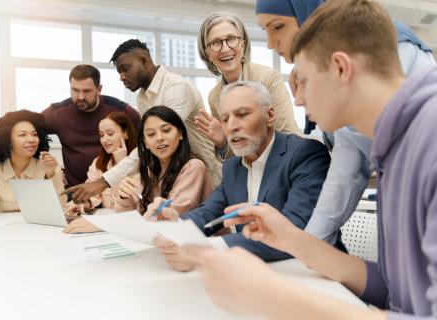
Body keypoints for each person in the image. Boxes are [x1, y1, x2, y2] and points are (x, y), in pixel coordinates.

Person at [184, 1, 437, 318]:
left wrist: (281, 300)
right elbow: (399, 290)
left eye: (301, 79)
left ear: (341, 68)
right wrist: (292, 240)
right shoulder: (394, 147)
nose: (298, 99)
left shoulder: (429, 141)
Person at [255, 0, 435, 245]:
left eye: (277, 27)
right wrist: (306, 247)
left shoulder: (383, 50)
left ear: (341, 68)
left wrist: (306, 246)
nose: (270, 43)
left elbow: (348, 168)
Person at [152, 81, 330, 270]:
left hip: (314, 274)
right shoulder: (232, 167)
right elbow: (207, 213)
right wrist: (175, 225)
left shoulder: (305, 154)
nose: (231, 126)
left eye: (242, 114)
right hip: (257, 273)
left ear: (269, 116)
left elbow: (293, 231)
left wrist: (205, 250)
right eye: (225, 119)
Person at [66, 40, 222, 203]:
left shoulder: (176, 87)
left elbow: (155, 143)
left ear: (144, 61)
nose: (121, 77)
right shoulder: (142, 98)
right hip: (175, 174)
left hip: (206, 174)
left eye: (125, 69)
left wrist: (103, 182)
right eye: (119, 72)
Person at [64, 106, 213, 234]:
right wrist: (124, 197)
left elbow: (167, 218)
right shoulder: (151, 169)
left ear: (180, 133)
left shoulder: (193, 167)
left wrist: (104, 225)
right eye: (151, 134)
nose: (159, 138)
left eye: (166, 130)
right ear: (145, 143)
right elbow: (133, 213)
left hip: (200, 249)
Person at [194, 11, 300, 159]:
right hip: (248, 174)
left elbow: (288, 135)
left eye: (231, 39)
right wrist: (222, 142)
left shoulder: (268, 78)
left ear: (242, 44)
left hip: (285, 164)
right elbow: (233, 157)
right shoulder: (214, 97)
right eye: (216, 43)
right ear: (208, 54)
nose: (225, 49)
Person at [0, 110, 66, 226]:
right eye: (22, 135)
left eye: (34, 134)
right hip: (3, 230)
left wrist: (51, 176)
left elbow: (60, 208)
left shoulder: (49, 166)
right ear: (7, 141)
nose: (31, 139)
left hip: (39, 228)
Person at [42, 64, 141, 187]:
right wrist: (45, 158)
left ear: (99, 89)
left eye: (87, 91)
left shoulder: (122, 111)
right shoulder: (57, 113)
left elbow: (147, 141)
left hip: (113, 190)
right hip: (75, 192)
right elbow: (28, 127)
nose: (80, 97)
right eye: (75, 90)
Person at [64, 111, 137, 218]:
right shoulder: (98, 163)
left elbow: (133, 202)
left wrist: (122, 162)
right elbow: (93, 194)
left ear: (125, 133)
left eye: (110, 134)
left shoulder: (139, 161)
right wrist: (85, 204)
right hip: (106, 221)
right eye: (101, 135)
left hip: (129, 220)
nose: (104, 140)